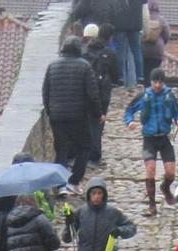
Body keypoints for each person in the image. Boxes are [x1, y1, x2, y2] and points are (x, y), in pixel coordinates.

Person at [41, 35, 102, 191]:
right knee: (85, 147)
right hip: (78, 116)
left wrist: (50, 111)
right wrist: (97, 113)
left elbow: (45, 91)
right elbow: (92, 94)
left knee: (61, 150)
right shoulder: (85, 66)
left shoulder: (52, 66)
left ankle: (60, 185)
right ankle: (74, 181)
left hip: (57, 116)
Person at [125, 67, 178, 213]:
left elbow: (177, 112)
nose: (157, 85)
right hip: (149, 139)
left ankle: (165, 187)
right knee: (150, 170)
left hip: (164, 138)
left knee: (171, 173)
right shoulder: (143, 95)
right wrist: (129, 122)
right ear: (151, 82)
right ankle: (152, 204)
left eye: (160, 82)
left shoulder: (169, 96)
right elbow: (129, 110)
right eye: (155, 82)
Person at [65, 172, 137, 251]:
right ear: (89, 195)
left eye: (99, 193)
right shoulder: (81, 212)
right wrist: (69, 224)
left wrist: (119, 231)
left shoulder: (112, 213)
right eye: (94, 193)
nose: (97, 196)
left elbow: (131, 228)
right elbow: (67, 238)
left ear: (104, 195)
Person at [81, 22, 121, 161]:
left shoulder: (85, 51)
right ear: (110, 37)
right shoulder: (109, 53)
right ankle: (95, 153)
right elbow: (116, 74)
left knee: (85, 120)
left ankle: (83, 150)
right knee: (98, 121)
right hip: (103, 92)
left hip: (86, 90)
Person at [109, 0, 145, 87]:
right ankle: (140, 77)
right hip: (135, 24)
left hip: (120, 23)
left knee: (120, 52)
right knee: (136, 50)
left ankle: (120, 78)